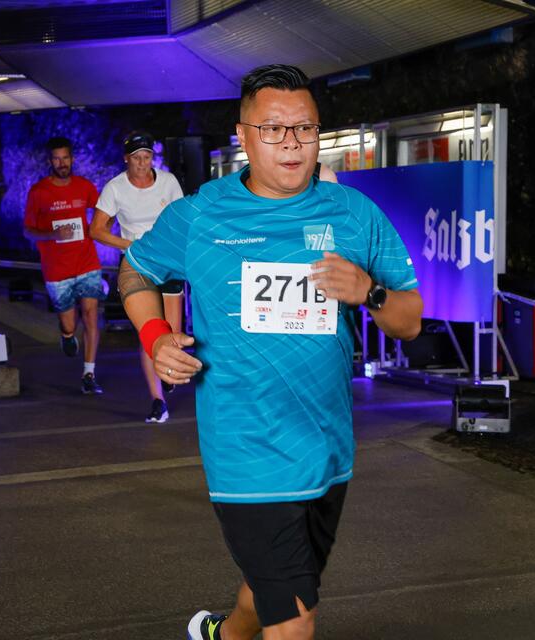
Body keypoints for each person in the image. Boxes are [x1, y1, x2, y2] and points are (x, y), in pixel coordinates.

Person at [119, 64, 423, 640]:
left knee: (284, 587)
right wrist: (156, 337)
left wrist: (369, 291)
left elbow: (409, 321)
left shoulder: (354, 215)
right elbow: (135, 270)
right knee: (297, 620)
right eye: (273, 129)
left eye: (304, 129)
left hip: (328, 444)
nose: (291, 143)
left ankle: (224, 634)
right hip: (245, 449)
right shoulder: (199, 215)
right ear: (243, 135)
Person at [90, 131, 184, 423]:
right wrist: (129, 244)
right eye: (137, 158)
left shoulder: (167, 182)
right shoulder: (115, 188)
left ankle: (167, 368)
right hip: (137, 262)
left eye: (148, 157)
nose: (143, 163)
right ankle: (157, 400)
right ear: (126, 159)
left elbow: (181, 218)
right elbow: (97, 229)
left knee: (172, 332)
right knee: (151, 333)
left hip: (168, 259)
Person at [23, 136, 104, 394]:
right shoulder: (39, 192)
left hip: (87, 261)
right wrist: (51, 236)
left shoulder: (84, 186)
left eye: (65, 158)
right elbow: (28, 231)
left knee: (91, 315)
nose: (62, 163)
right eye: (56, 159)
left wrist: (101, 229)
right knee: (70, 323)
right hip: (57, 269)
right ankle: (67, 335)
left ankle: (89, 374)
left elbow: (104, 212)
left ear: (72, 159)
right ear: (50, 161)